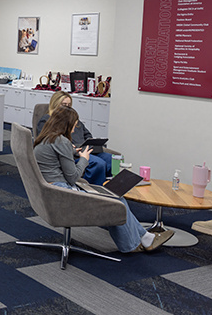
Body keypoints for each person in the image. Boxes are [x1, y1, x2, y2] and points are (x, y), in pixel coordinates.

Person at [34, 106, 174, 252]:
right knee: (115, 200)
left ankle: (145, 238)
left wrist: (71, 151)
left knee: (113, 197)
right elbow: (73, 177)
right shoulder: (60, 141)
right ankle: (136, 243)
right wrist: (84, 159)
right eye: (74, 126)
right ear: (67, 125)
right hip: (62, 192)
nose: (74, 131)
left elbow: (55, 163)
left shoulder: (46, 138)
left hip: (52, 190)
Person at [36, 90, 111, 185]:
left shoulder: (73, 119)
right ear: (55, 105)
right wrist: (73, 148)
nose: (66, 107)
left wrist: (87, 146)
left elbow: (88, 135)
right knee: (98, 163)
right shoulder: (48, 121)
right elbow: (50, 142)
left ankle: (109, 188)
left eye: (69, 105)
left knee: (110, 159)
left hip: (83, 149)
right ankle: (93, 190)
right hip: (71, 153)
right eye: (63, 104)